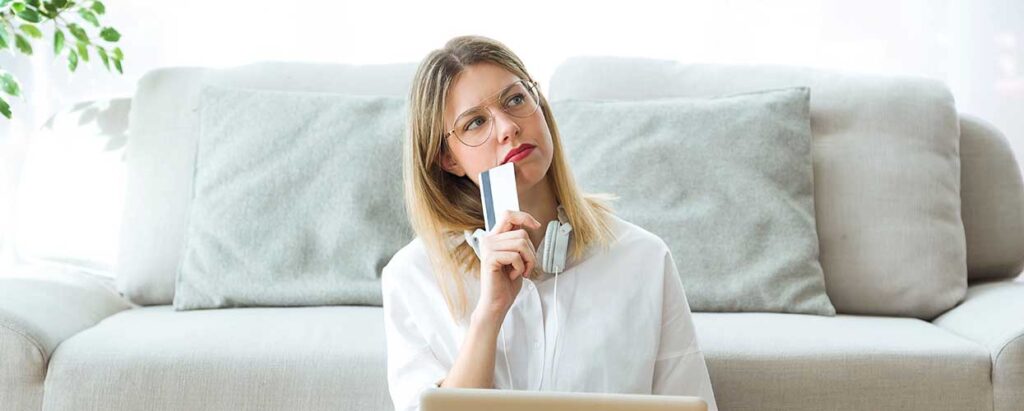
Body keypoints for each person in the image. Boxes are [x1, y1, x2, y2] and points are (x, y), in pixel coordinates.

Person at [381, 35, 719, 411]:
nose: (507, 127)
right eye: (475, 122)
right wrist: (489, 315)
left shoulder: (644, 258)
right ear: (448, 159)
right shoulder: (412, 276)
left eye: (515, 99)